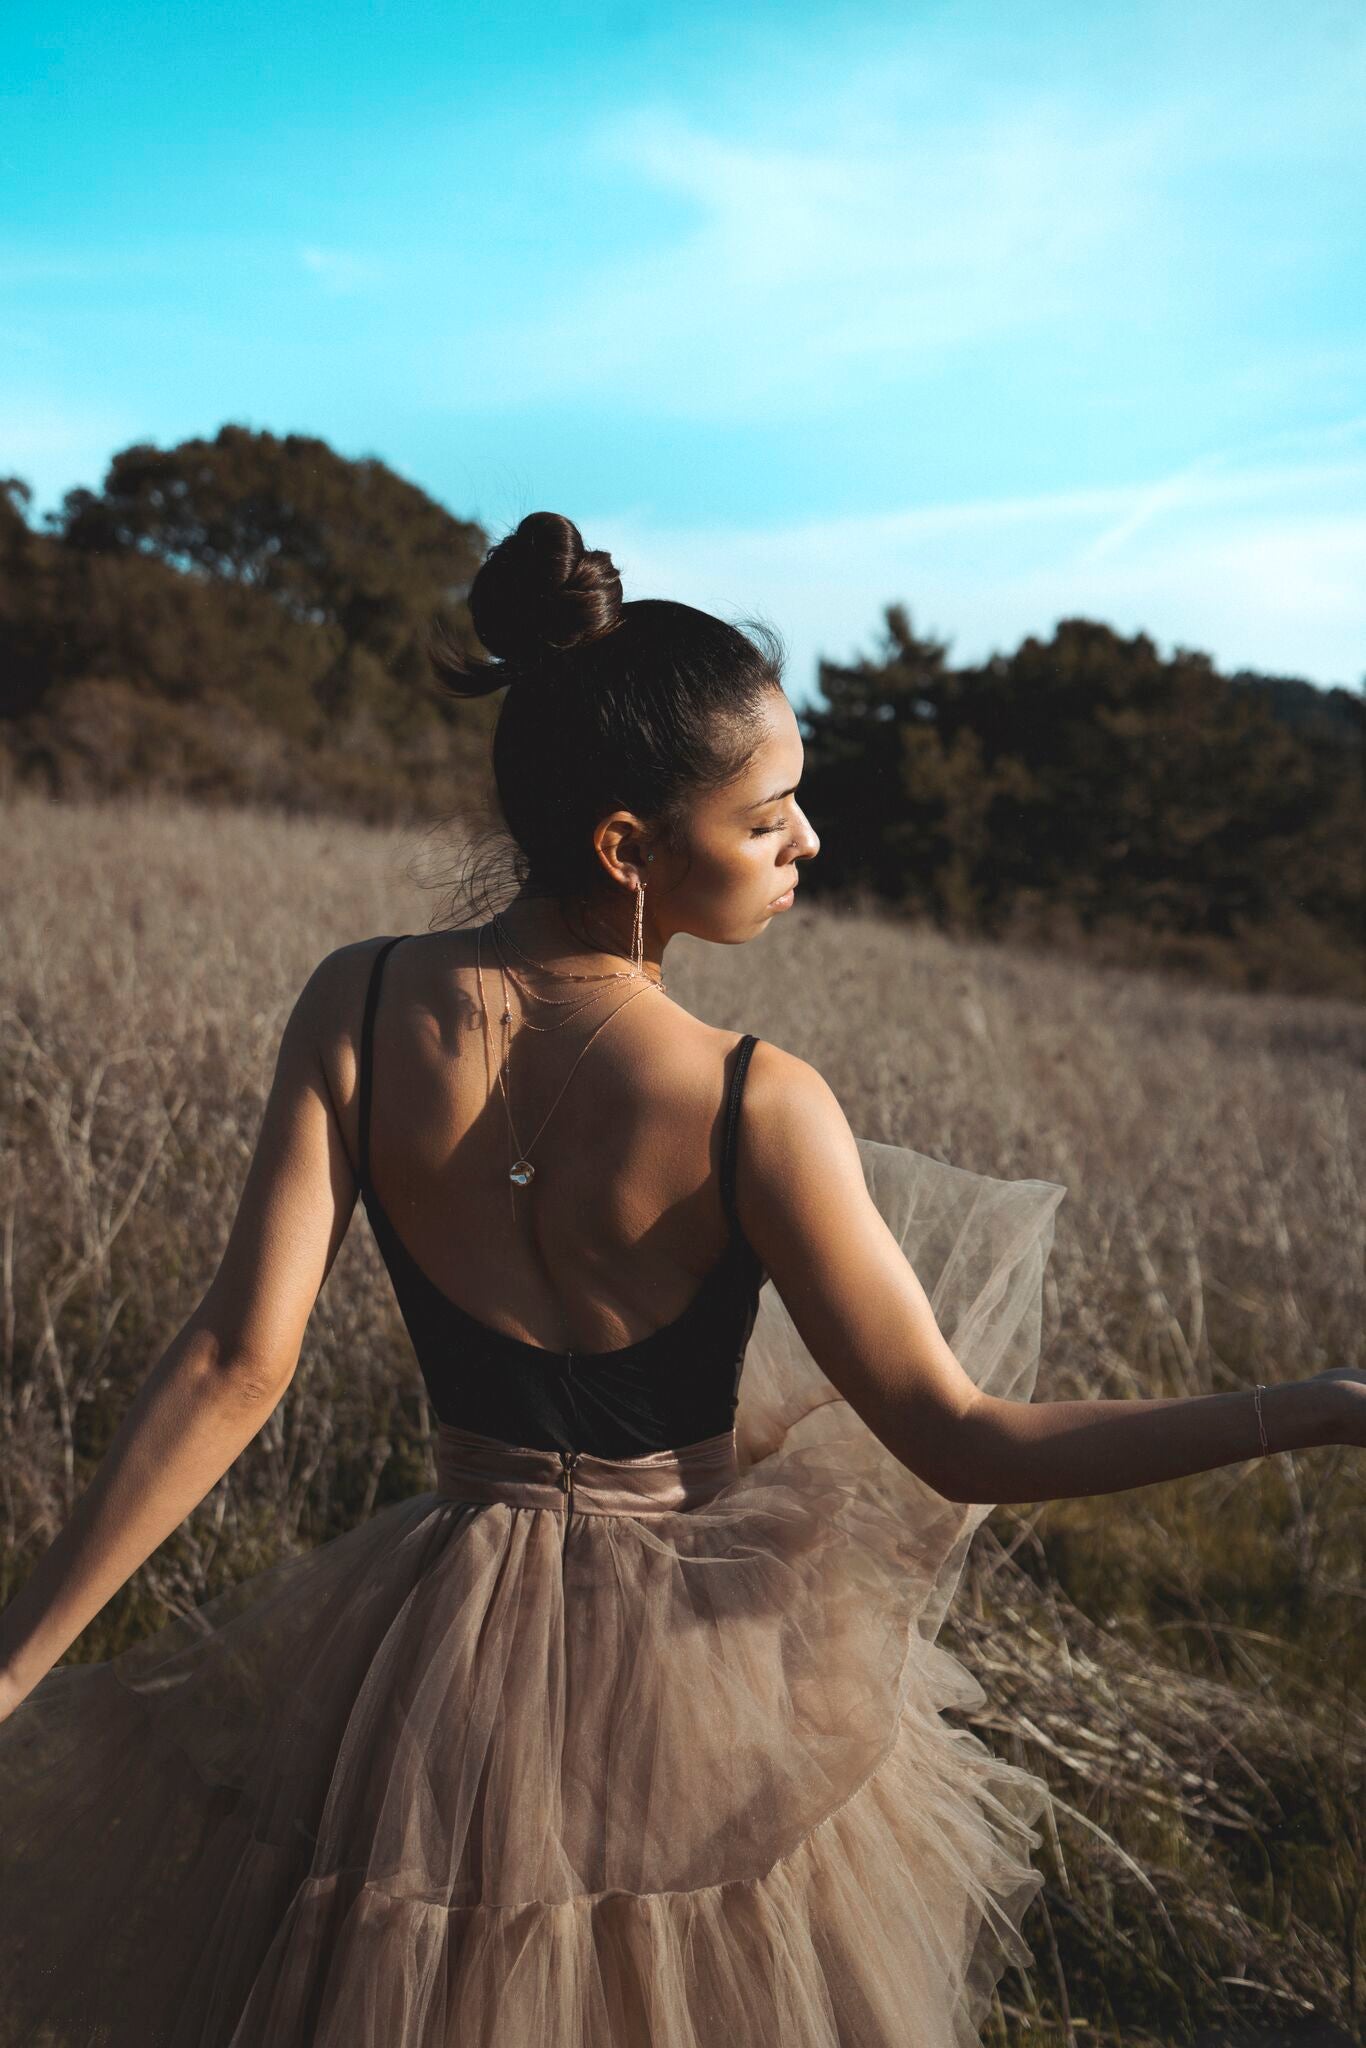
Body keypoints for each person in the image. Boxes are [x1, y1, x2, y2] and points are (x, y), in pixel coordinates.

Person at [0, 511, 1358, 2048]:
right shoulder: (753, 1100)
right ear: (628, 847)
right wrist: (1309, 1407)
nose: (807, 846)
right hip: (691, 1683)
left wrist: (14, 1665)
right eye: (769, 818)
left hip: (427, 1657)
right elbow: (962, 1438)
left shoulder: (359, 1000)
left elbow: (235, 1369)